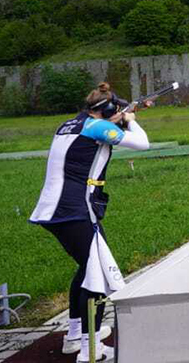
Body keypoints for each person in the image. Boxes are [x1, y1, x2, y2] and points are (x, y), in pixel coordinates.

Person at [29, 82, 150, 362]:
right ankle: (90, 350)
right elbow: (143, 143)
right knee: (97, 277)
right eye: (117, 110)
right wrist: (130, 121)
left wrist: (121, 118)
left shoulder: (70, 124)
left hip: (56, 210)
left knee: (86, 269)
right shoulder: (97, 128)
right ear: (108, 110)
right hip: (75, 210)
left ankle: (74, 336)